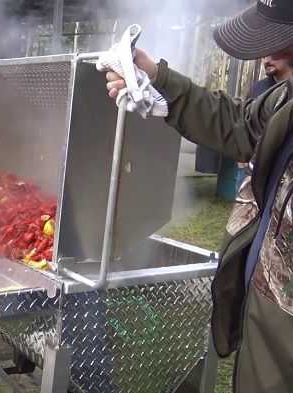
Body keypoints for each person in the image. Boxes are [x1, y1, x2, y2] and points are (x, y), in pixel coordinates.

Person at [102, 0, 293, 390]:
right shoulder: (284, 97)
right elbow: (238, 124)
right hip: (266, 302)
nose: (267, 56)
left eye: (282, 41)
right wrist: (156, 78)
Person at [236, 56, 293, 189]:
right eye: (264, 56)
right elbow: (244, 123)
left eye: (273, 55)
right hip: (253, 165)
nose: (266, 61)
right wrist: (241, 155)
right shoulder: (257, 89)